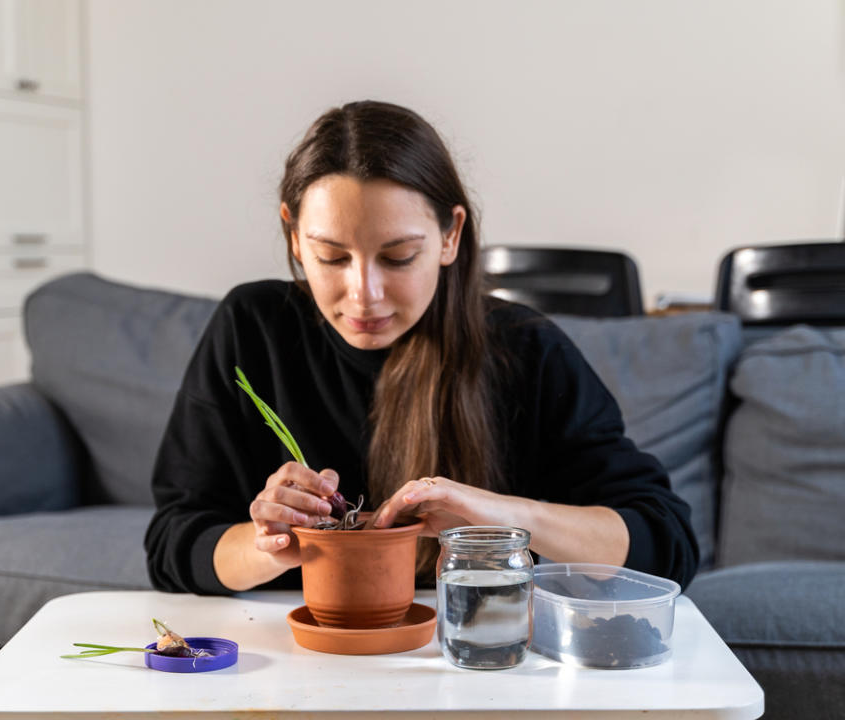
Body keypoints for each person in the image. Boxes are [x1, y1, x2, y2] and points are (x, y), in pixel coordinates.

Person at [145, 100, 699, 595]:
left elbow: (666, 544)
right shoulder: (252, 327)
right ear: (294, 236)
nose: (364, 294)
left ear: (450, 236)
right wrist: (267, 546)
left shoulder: (526, 349)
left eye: (398, 257)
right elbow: (173, 543)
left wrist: (498, 519)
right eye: (332, 257)